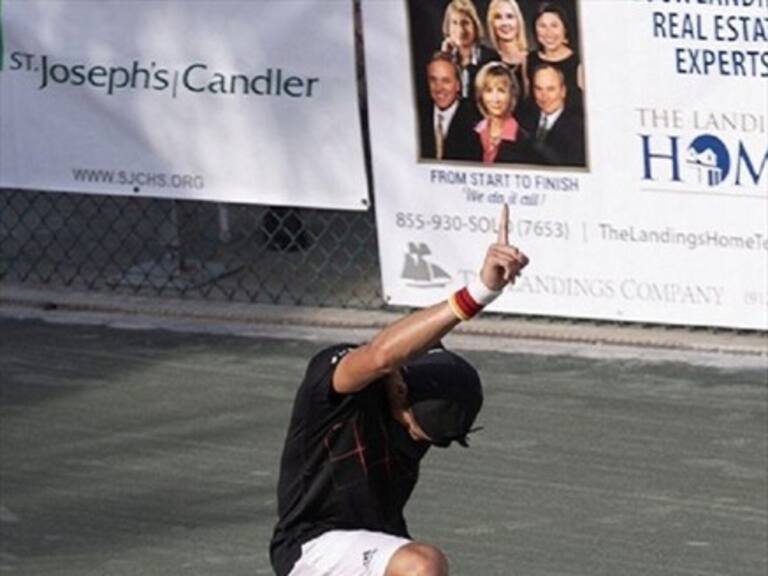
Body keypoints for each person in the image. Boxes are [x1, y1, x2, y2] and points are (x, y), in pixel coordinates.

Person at [270, 205, 529, 576]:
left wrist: (481, 292)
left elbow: (385, 356)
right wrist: (481, 291)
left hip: (372, 547)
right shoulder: (338, 389)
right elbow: (381, 356)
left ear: (402, 390)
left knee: (421, 565)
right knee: (422, 565)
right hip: (311, 547)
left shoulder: (408, 407)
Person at [419, 51, 482, 162]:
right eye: (433, 80)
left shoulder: (474, 120)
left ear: (458, 85)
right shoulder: (417, 115)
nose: (439, 88)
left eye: (446, 81)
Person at [519, 64, 586, 167]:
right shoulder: (523, 120)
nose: (544, 96)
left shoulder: (579, 129)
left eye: (550, 89)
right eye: (538, 89)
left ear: (563, 91)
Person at [526, 2, 583, 110]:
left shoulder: (579, 63)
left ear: (565, 29)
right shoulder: (530, 60)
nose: (548, 32)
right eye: (542, 26)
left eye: (554, 25)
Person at [473, 61, 532, 164]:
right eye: (489, 90)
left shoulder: (524, 142)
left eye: (501, 90)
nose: (495, 99)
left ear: (511, 94)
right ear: (481, 95)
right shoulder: (472, 133)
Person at [440, 0, 498, 103]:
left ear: (475, 25)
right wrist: (444, 60)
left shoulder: (492, 58)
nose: (460, 30)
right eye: (454, 23)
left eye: (465, 23)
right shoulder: (443, 60)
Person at [486, 0, 529, 106]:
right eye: (498, 17)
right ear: (492, 23)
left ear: (518, 21)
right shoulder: (486, 61)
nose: (504, 23)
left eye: (510, 16)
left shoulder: (532, 60)